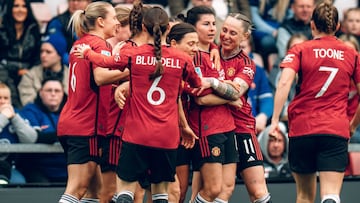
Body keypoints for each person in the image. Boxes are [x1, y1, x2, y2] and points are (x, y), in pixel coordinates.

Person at [77, 6, 207, 203]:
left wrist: (87, 53)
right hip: (166, 136)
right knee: (162, 194)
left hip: (136, 135)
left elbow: (106, 61)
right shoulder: (182, 59)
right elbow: (197, 84)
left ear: (143, 27)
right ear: (167, 30)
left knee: (125, 192)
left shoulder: (133, 53)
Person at [270, 1, 360, 202]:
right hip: (335, 129)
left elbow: (284, 83)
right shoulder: (352, 54)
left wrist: (275, 120)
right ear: (338, 27)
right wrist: (352, 125)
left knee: (304, 196)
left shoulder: (300, 49)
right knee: (331, 194)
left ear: (312, 25)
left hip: (303, 128)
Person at [57, 1, 125, 202]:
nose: (117, 24)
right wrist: (134, 71)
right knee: (76, 189)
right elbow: (101, 77)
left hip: (72, 121)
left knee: (95, 192)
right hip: (86, 127)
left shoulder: (80, 43)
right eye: (114, 18)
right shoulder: (99, 44)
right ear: (101, 21)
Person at [219, 13, 272, 203]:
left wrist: (214, 84)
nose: (225, 35)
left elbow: (236, 92)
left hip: (242, 128)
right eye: (224, 30)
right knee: (221, 190)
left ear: (245, 37)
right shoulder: (210, 55)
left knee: (258, 192)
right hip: (217, 130)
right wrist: (226, 89)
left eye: (233, 33)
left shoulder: (247, 64)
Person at [17, 78, 68, 183]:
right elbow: (34, 137)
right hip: (38, 168)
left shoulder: (71, 111)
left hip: (67, 169)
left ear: (63, 94)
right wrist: (65, 135)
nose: (53, 94)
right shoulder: (30, 110)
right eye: (49, 90)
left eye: (57, 91)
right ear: (40, 93)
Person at [0, 0, 41, 108]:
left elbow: (37, 56)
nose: (20, 10)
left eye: (23, 6)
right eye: (16, 6)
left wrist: (29, 71)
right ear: (10, 9)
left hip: (28, 70)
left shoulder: (33, 28)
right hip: (5, 69)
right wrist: (17, 70)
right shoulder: (2, 29)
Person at [18, 32, 69, 106]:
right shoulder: (30, 76)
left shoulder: (72, 76)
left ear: (59, 55)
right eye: (41, 51)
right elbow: (28, 104)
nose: (43, 55)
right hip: (37, 116)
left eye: (48, 52)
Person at [240, 37, 274, 134]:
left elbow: (266, 98)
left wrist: (262, 116)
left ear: (250, 48)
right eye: (235, 47)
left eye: (243, 47)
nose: (239, 52)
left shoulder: (258, 70)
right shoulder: (222, 67)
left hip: (253, 124)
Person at [0, 82, 31, 184]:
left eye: (6, 98)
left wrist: (14, 118)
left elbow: (30, 140)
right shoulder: (5, 116)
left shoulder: (17, 114)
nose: (3, 102)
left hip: (10, 167)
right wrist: (3, 117)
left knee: (19, 182)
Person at [45, 0, 92, 65]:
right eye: (72, 0)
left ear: (88, 2)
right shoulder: (58, 22)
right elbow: (59, 51)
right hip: (67, 67)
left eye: (80, 0)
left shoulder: (96, 21)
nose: (75, 3)